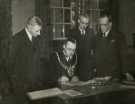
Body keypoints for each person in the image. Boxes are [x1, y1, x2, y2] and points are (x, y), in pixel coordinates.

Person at [8, 16, 46, 96]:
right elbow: (10, 65)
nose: (39, 33)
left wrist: (39, 82)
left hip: (35, 86)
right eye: (37, 30)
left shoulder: (37, 39)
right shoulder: (16, 39)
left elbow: (38, 62)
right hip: (21, 88)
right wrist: (16, 85)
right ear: (29, 26)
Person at [95, 13, 127, 81]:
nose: (102, 27)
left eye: (104, 25)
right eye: (100, 24)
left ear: (110, 24)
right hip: (100, 75)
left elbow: (123, 56)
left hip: (114, 76)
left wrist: (125, 73)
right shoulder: (97, 37)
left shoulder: (119, 36)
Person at [68, 14, 96, 81]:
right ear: (78, 21)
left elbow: (94, 49)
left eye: (86, 24)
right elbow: (70, 52)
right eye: (83, 23)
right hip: (77, 66)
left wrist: (94, 66)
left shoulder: (91, 32)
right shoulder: (72, 32)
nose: (84, 26)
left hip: (88, 67)